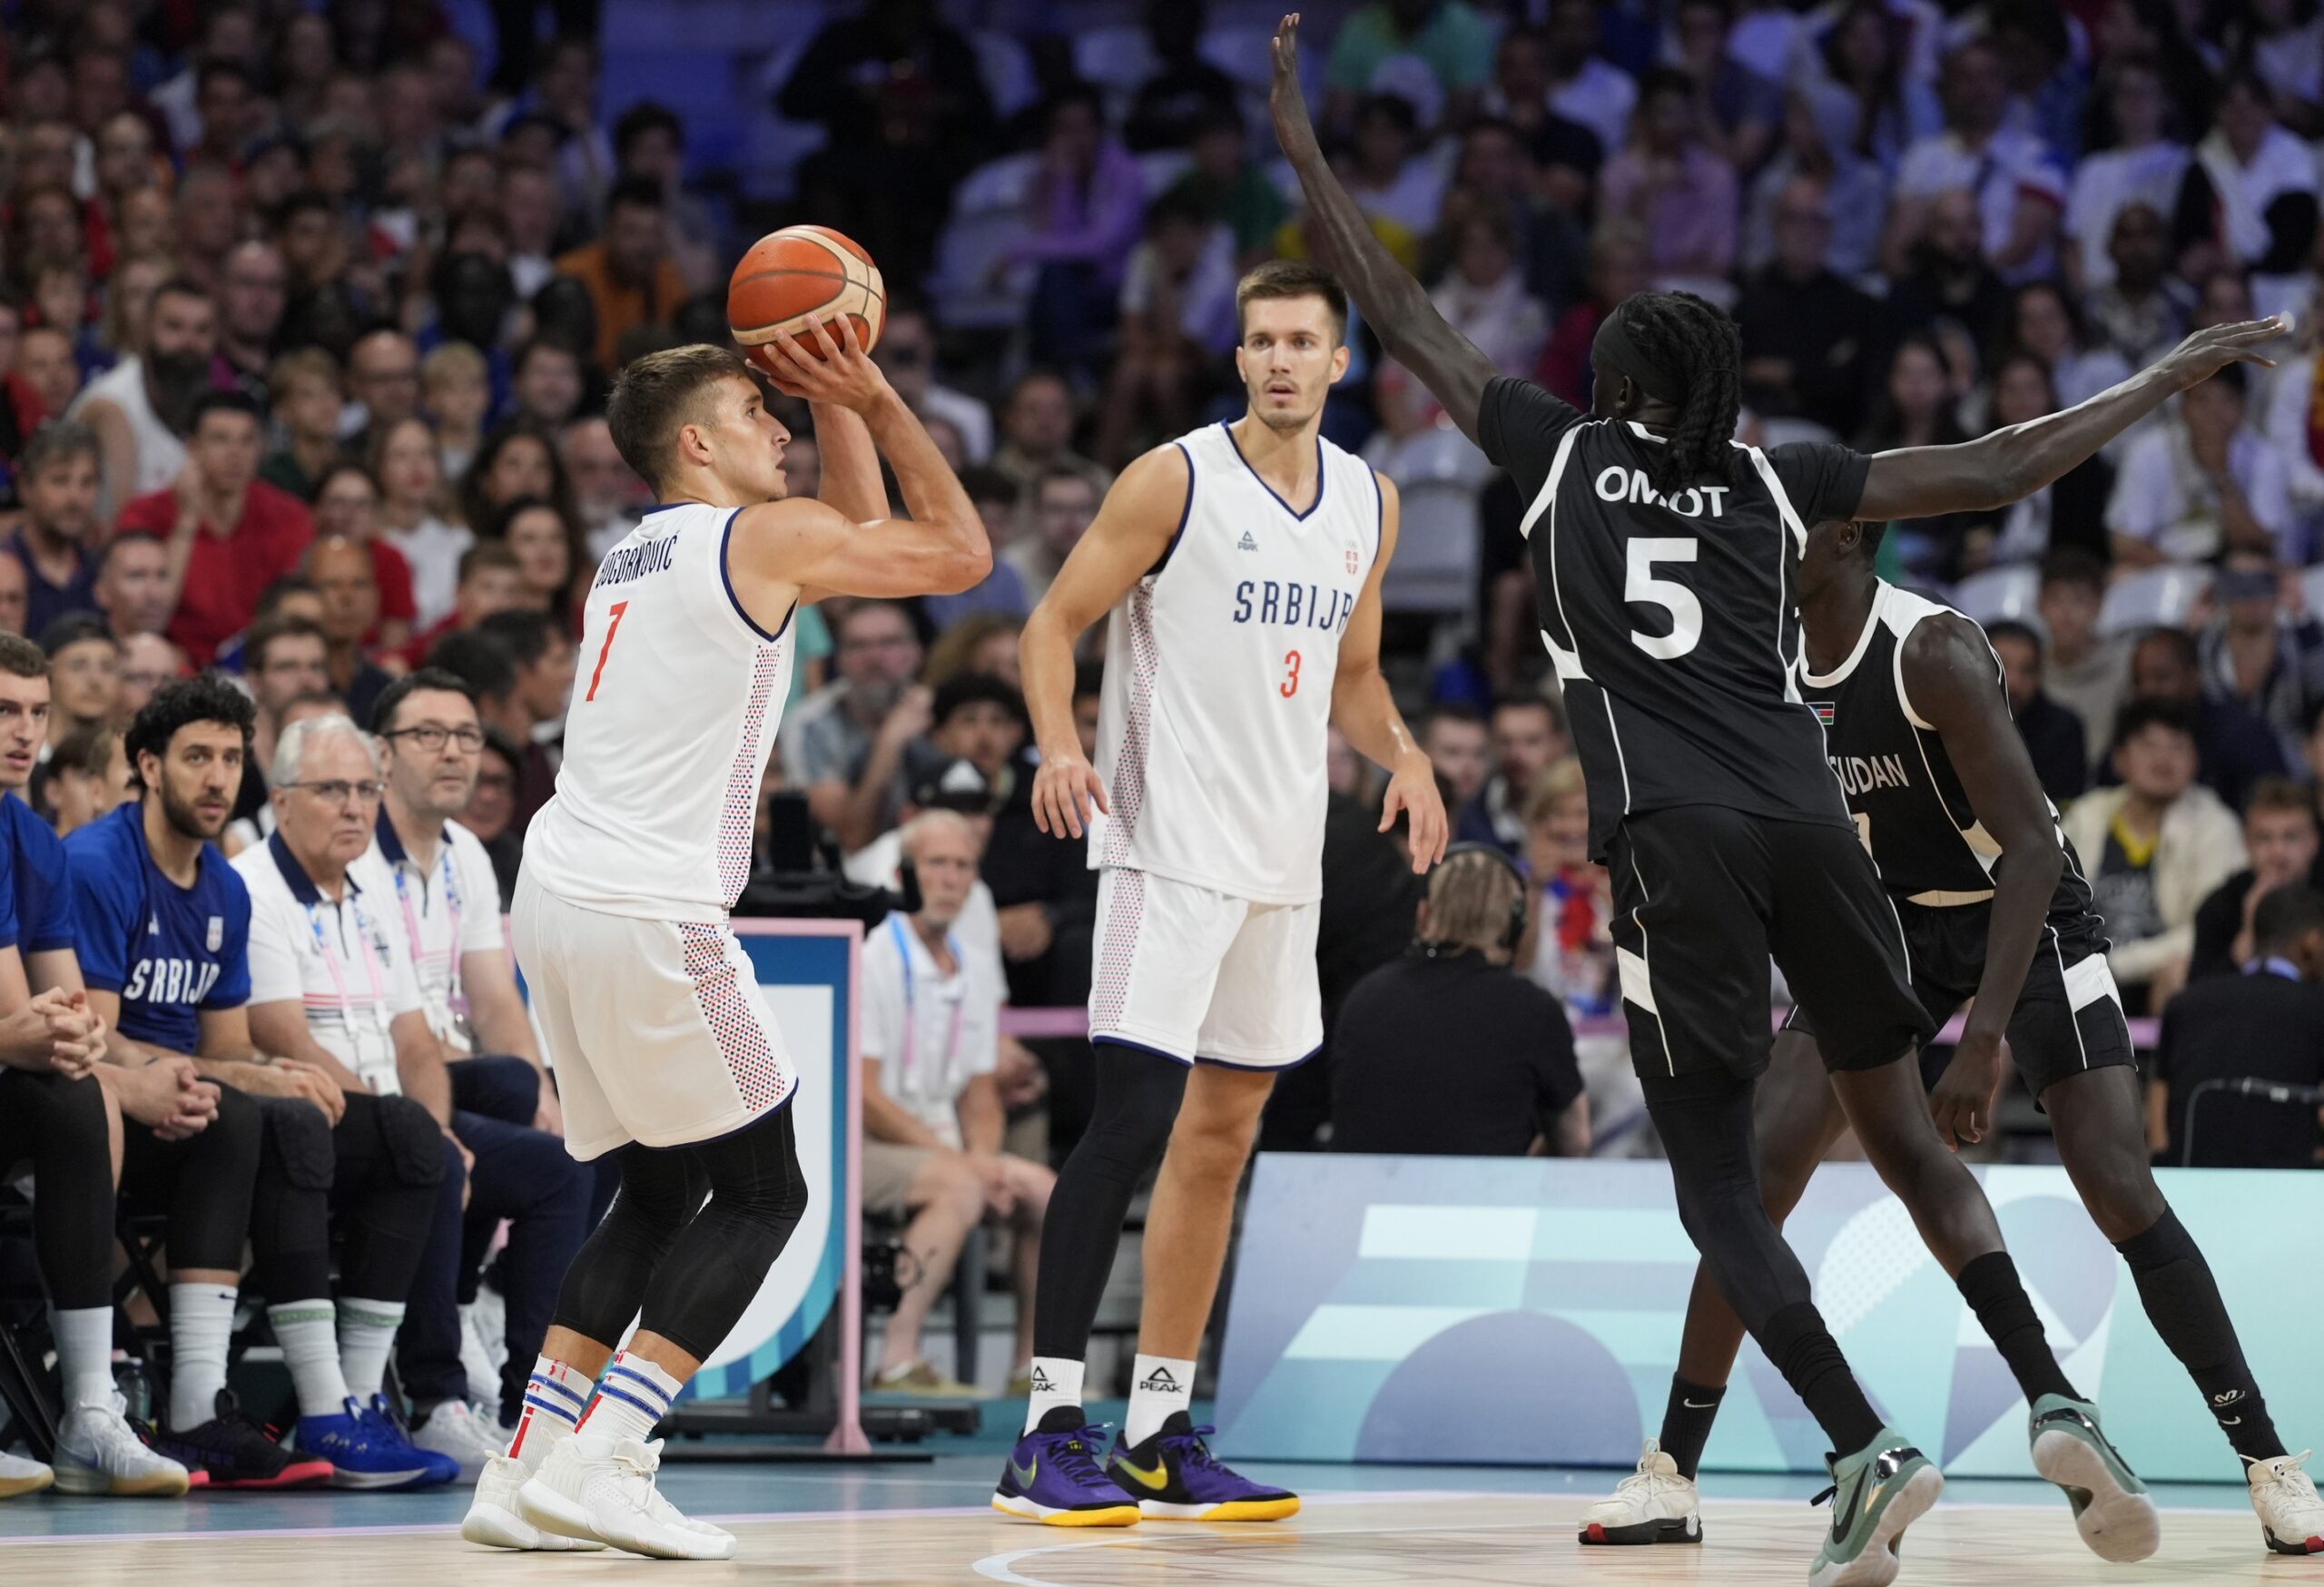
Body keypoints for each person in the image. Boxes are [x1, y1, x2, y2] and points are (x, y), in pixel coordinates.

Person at [1271, 17, 2282, 1577]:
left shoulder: (1558, 459)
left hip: (1681, 844)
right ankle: (2048, 1387)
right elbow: (2008, 463)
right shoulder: (1775, 477)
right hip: (1824, 842)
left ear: (1609, 386)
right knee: (1896, 1125)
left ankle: (1864, 1445)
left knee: (1719, 1174)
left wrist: (1302, 144)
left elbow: (1398, 311)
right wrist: (2164, 372)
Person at [1582, 516, 2322, 1558]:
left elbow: (2027, 848)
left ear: (1843, 538)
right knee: (1757, 1170)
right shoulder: (1765, 652)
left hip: (2023, 902)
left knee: (2114, 1175)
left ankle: (2270, 1461)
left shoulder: (1929, 647)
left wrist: (1981, 1043)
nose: (1756, 539)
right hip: (1883, 914)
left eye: (1780, 525)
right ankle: (1671, 1471)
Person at [473, 320, 985, 1559]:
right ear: (695, 443)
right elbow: (958, 554)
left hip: (557, 890)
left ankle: (528, 1463)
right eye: (758, 412)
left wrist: (841, 414)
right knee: (769, 1192)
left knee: (652, 1194)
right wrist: (874, 394)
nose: (780, 427)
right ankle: (614, 1453)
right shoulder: (754, 536)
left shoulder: (629, 555)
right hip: (648, 901)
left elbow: (854, 543)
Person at [994, 255, 1447, 1530]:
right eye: (1262, 341)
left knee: (1223, 1138)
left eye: (1305, 340)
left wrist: (1404, 752)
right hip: (1161, 845)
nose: (1283, 360)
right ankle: (1043, 1430)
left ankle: (1157, 1428)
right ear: (1238, 356)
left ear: (1341, 360)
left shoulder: (1371, 499)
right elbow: (1050, 625)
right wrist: (1060, 743)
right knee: (1130, 1125)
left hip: (1278, 864)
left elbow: (1354, 680)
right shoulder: (1174, 477)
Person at [70, 677, 458, 1489]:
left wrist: (251, 1071)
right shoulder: (101, 864)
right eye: (196, 758)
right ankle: (206, 1407)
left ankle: (352, 1402)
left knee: (411, 1136)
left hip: (200, 1100)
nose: (217, 778)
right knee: (263, 1117)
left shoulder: (220, 887)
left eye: (230, 758)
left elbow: (222, 1044)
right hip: (110, 1106)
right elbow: (98, 1038)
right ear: (147, 765)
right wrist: (245, 1074)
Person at [357, 669, 590, 1473]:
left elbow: (494, 995)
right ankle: (438, 1391)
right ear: (381, 755)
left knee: (564, 1136)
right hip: (373, 1077)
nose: (453, 752)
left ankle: (535, 1405)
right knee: (481, 1150)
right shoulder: (352, 843)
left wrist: (542, 1093)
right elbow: (393, 1029)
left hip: (439, 1069)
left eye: (466, 736)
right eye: (429, 735)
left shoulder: (466, 851)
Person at [861, 810, 1052, 1395]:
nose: (950, 878)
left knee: (1049, 1193)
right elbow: (863, 1095)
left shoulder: (967, 966)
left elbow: (979, 1090)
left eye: (962, 866)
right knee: (959, 1185)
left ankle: (1032, 1372)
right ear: (903, 873)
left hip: (938, 1143)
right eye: (936, 864)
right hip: (864, 1143)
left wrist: (986, 1157)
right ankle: (895, 1360)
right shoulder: (872, 953)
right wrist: (963, 1164)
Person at [1331, 845, 1587, 1156]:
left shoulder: (1365, 996)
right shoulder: (1534, 1009)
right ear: (1515, 924)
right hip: (1483, 1201)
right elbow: (1576, 1140)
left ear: (1422, 915)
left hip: (1367, 1197)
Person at [2063, 699, 2249, 1015]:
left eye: (2177, 747)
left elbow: (2208, 932)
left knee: (2178, 974)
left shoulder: (2216, 825)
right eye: (2148, 745)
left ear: (2195, 761)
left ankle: (2161, 1066)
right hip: (2080, 969)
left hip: (2156, 975)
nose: (2163, 758)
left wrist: (2115, 965)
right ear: (2119, 759)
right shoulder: (2086, 815)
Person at [115, 390, 317, 666]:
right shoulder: (147, 513)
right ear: (192, 447)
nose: (235, 454)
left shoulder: (289, 516)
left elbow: (291, 613)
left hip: (259, 665)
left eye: (247, 441)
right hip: (173, 664)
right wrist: (186, 520)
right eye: (220, 440)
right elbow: (152, 608)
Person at [2152, 885, 2324, 1172]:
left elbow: (2158, 1111)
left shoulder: (2185, 1004)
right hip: (2292, 1193)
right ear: (2312, 941)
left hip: (2189, 1188)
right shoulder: (2317, 1010)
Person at [783, 600, 931, 854]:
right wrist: (888, 743)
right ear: (839, 658)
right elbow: (851, 838)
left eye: (889, 642)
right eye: (858, 645)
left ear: (916, 652)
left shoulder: (945, 712)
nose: (874, 657)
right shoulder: (810, 723)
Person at [69, 277, 213, 519]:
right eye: (174, 327)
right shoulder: (112, 406)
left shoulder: (210, 399)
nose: (189, 342)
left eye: (202, 330)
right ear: (146, 329)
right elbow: (118, 526)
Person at [2188, 777, 2324, 981]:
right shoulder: (2220, 905)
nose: (2277, 852)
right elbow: (2201, 996)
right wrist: (2250, 933)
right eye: (2264, 838)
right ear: (2247, 844)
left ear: (2314, 842)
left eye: (2291, 837)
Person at [7, 420, 102, 637]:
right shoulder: (5, 569)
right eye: (60, 481)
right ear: (25, 487)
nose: (75, 498)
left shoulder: (101, 571)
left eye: (87, 482)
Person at [1988, 618, 2090, 802]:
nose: (2014, 682)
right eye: (2001, 666)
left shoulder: (2063, 729)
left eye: (2027, 670)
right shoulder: (1946, 719)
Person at [1453, 695, 1567, 853]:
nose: (1516, 755)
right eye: (1506, 742)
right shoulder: (1467, 819)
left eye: (1532, 741)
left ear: (1560, 744)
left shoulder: (1588, 819)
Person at [92, 533, 172, 642]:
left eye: (162, 576)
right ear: (102, 593)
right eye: (136, 576)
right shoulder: (75, 654)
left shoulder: (182, 657)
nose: (154, 593)